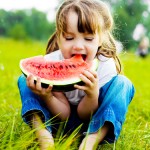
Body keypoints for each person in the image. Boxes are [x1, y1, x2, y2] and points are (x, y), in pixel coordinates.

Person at [17, 0, 135, 149]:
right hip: (57, 122)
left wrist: (92, 95)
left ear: (100, 40)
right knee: (25, 79)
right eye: (69, 38)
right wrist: (47, 96)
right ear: (59, 38)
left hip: (92, 123)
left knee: (123, 84)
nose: (78, 46)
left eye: (88, 39)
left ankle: (90, 142)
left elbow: (85, 115)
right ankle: (44, 137)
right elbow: (64, 114)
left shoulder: (105, 66)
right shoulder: (53, 61)